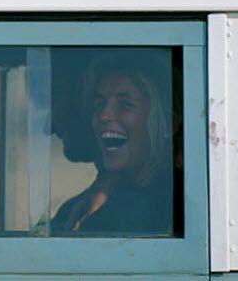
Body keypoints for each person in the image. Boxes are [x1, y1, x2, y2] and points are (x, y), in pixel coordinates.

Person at [52, 53, 175, 235]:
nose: (104, 115)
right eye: (99, 103)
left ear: (169, 121)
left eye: (126, 104)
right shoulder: (95, 201)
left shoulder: (171, 205)